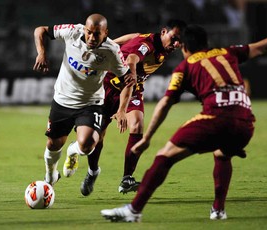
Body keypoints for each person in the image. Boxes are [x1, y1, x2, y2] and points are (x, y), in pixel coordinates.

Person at [100, 24, 267, 222]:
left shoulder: (186, 67)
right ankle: (218, 210)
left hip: (215, 118)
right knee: (223, 154)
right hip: (246, 123)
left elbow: (165, 103)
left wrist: (147, 138)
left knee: (165, 156)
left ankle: (134, 210)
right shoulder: (228, 52)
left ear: (185, 48)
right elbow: (266, 46)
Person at [64, 19, 187, 196]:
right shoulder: (147, 45)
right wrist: (122, 108)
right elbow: (131, 61)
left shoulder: (155, 44)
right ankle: (92, 172)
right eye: (173, 38)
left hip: (132, 89)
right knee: (96, 139)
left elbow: (134, 37)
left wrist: (111, 44)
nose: (176, 44)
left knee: (137, 124)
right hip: (107, 88)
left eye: (179, 40)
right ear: (163, 32)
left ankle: (127, 178)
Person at [33, 13, 135, 187]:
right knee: (53, 144)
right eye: (89, 32)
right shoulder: (72, 31)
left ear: (106, 33)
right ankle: (50, 176)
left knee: (87, 145)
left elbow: (129, 81)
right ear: (85, 29)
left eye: (97, 34)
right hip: (62, 99)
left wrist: (122, 110)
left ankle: (74, 151)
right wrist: (41, 53)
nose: (92, 37)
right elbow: (40, 30)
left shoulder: (112, 51)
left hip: (91, 103)